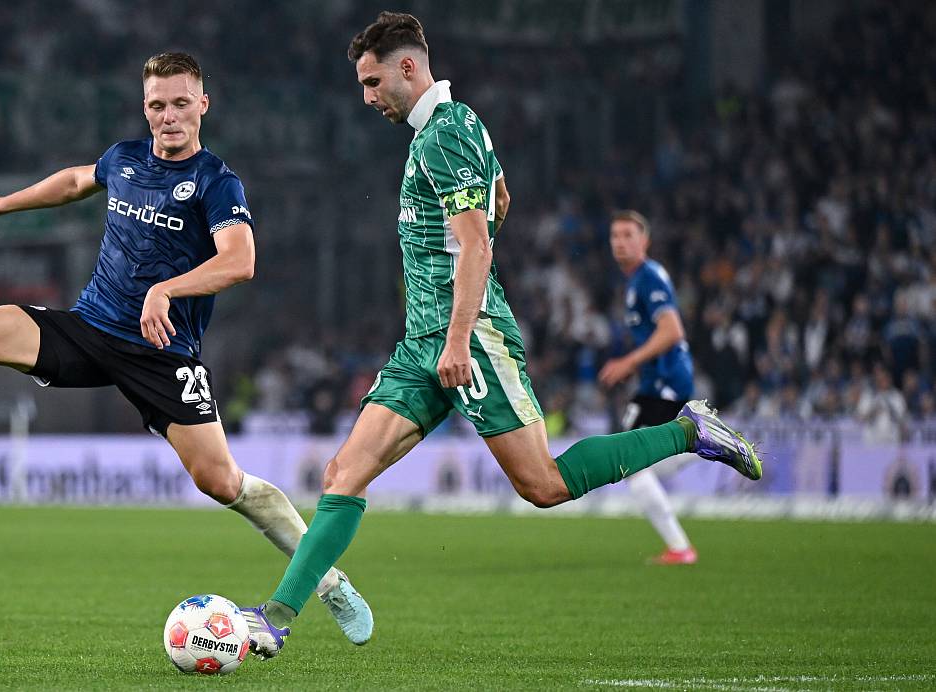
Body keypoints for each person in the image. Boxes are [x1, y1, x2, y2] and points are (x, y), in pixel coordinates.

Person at [240, 13, 761, 658]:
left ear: (408, 67)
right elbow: (499, 197)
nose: (366, 98)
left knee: (543, 485)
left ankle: (690, 431)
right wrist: (480, 221)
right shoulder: (449, 128)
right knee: (344, 470)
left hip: (468, 336)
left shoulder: (444, 135)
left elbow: (478, 240)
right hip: (422, 341)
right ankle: (279, 616)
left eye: (372, 83)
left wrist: (459, 337)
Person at [0, 52, 373, 646]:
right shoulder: (124, 159)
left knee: (222, 482)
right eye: (156, 105)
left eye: (179, 103)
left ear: (203, 105)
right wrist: (2, 202)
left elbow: (241, 261)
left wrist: (165, 291)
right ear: (144, 108)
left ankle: (327, 581)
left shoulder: (216, 182)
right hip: (93, 329)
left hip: (164, 353)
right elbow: (75, 181)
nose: (167, 117)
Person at [598, 210, 698, 565]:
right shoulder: (636, 281)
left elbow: (672, 330)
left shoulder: (648, 278)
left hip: (666, 385)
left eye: (628, 235)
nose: (620, 242)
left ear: (645, 241)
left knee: (630, 461)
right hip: (655, 385)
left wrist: (629, 362)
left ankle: (680, 547)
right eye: (615, 235)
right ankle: (701, 441)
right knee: (633, 463)